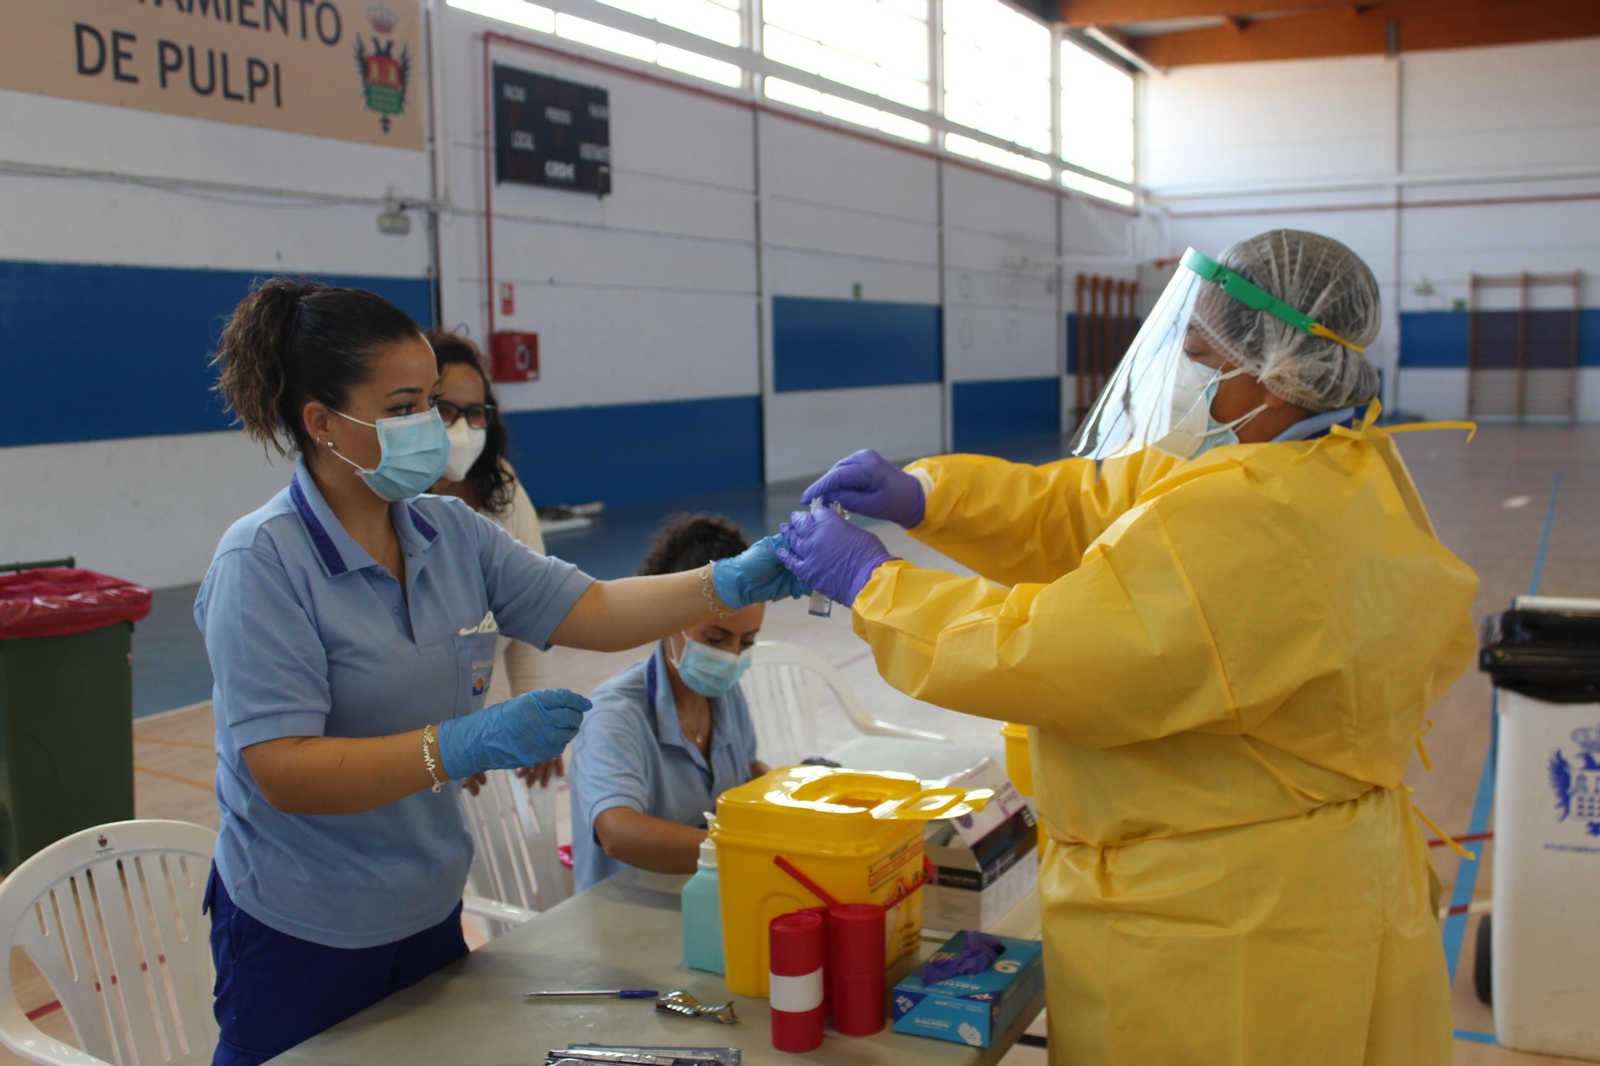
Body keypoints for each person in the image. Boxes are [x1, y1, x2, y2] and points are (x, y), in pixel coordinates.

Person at [778, 230, 1479, 1066]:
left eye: (1201, 355)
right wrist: (930, 496)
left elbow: (1042, 652)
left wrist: (874, 584)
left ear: (1277, 369)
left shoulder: (1255, 522)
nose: (1187, 376)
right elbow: (1094, 506)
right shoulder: (1338, 466)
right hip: (1315, 880)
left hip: (1225, 926)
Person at [196, 278, 804, 1066]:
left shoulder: (449, 532)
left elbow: (591, 609)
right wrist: (457, 745)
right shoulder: (263, 564)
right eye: (406, 406)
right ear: (322, 423)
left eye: (438, 405)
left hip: (425, 908)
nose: (435, 428)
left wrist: (726, 581)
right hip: (301, 929)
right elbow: (283, 771)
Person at [569, 514, 770, 890]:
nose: (731, 656)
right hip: (627, 917)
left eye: (747, 643)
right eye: (715, 638)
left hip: (703, 893)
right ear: (668, 620)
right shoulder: (614, 715)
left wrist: (803, 797)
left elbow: (745, 769)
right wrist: (745, 851)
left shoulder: (723, 694)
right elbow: (618, 831)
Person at [426, 328, 561, 787]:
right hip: (403, 738)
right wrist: (446, 744)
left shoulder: (501, 486)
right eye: (444, 410)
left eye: (474, 412)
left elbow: (534, 606)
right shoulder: (389, 500)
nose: (462, 428)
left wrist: (536, 708)